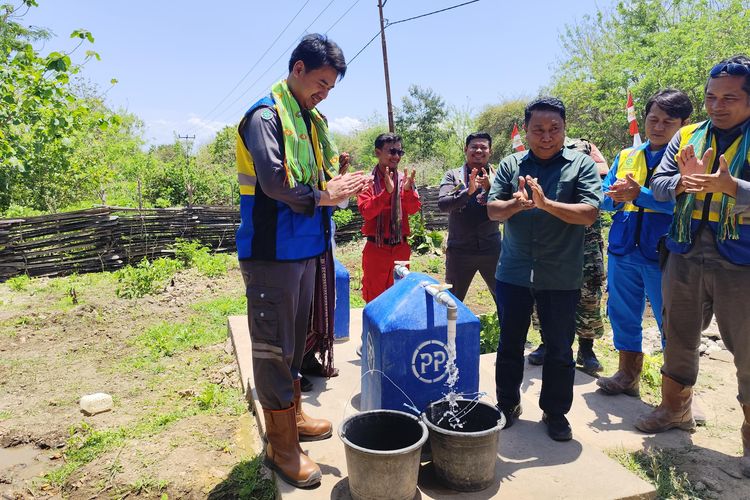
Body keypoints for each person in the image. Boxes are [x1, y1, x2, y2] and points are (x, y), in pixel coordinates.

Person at [235, 34, 369, 488]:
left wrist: (340, 184)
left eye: (331, 87)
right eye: (320, 83)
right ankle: (281, 446)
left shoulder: (309, 122)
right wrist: (323, 195)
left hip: (308, 247)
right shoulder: (265, 117)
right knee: (274, 346)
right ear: (297, 69)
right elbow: (274, 182)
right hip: (272, 252)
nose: (324, 93)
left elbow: (318, 178)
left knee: (295, 341)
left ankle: (291, 415)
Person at [635, 55, 750, 477]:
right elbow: (660, 184)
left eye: (730, 98)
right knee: (678, 333)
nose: (717, 106)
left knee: (748, 348)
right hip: (685, 251)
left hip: (741, 260)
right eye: (711, 97)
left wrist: (731, 186)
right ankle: (674, 410)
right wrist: (682, 181)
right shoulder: (688, 136)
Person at [488, 97, 602, 441]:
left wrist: (546, 204)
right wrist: (515, 204)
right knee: (509, 344)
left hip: (560, 274)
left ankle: (555, 413)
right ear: (527, 130)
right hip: (514, 272)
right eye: (538, 129)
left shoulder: (581, 165)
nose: (547, 136)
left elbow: (589, 213)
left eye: (555, 129)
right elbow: (493, 210)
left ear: (565, 130)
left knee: (559, 348)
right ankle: (507, 405)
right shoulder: (511, 164)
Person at [596, 89, 693, 397]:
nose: (658, 127)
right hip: (624, 248)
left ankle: (678, 395)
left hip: (664, 253)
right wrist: (610, 197)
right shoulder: (627, 155)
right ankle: (627, 375)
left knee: (672, 322)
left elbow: (687, 206)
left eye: (668, 121)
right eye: (653, 119)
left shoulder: (688, 159)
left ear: (685, 124)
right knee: (622, 313)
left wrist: (640, 195)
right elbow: (604, 197)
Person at [527, 137, 609, 374]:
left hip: (586, 240)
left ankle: (586, 348)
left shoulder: (586, 147)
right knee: (544, 291)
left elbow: (602, 174)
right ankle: (546, 343)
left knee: (589, 292)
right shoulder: (541, 154)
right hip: (551, 239)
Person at [437, 132, 501, 302]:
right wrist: (468, 192)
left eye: (483, 147)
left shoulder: (499, 175)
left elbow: (506, 206)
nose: (478, 150)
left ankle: (506, 330)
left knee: (504, 299)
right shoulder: (453, 175)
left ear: (490, 151)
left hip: (492, 250)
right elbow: (443, 204)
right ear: (466, 149)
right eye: (474, 146)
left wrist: (490, 189)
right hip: (460, 251)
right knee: (452, 302)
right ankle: (450, 330)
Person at [357, 133, 421, 302]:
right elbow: (366, 212)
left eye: (400, 152)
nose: (396, 156)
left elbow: (414, 210)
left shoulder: (405, 180)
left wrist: (407, 192)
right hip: (376, 249)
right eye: (392, 151)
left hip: (401, 248)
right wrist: (386, 193)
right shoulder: (367, 182)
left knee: (399, 297)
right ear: (377, 152)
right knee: (374, 298)